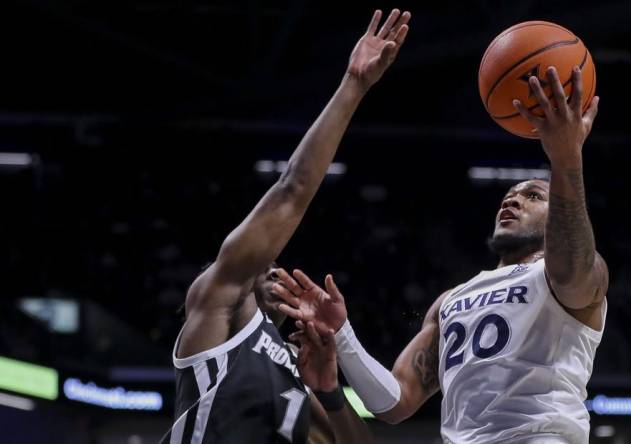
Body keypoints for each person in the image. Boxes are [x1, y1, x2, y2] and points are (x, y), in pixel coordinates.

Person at [274, 66, 607, 444]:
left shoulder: (572, 276)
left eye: (533, 195)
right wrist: (343, 334)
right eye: (510, 195)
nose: (513, 198)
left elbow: (572, 263)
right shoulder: (451, 300)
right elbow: (395, 402)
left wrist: (566, 161)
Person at [160, 8, 410, 444]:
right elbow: (291, 190)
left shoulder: (294, 372)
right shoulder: (217, 309)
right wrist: (353, 85)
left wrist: (331, 393)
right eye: (266, 265)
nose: (277, 270)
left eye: (280, 265)